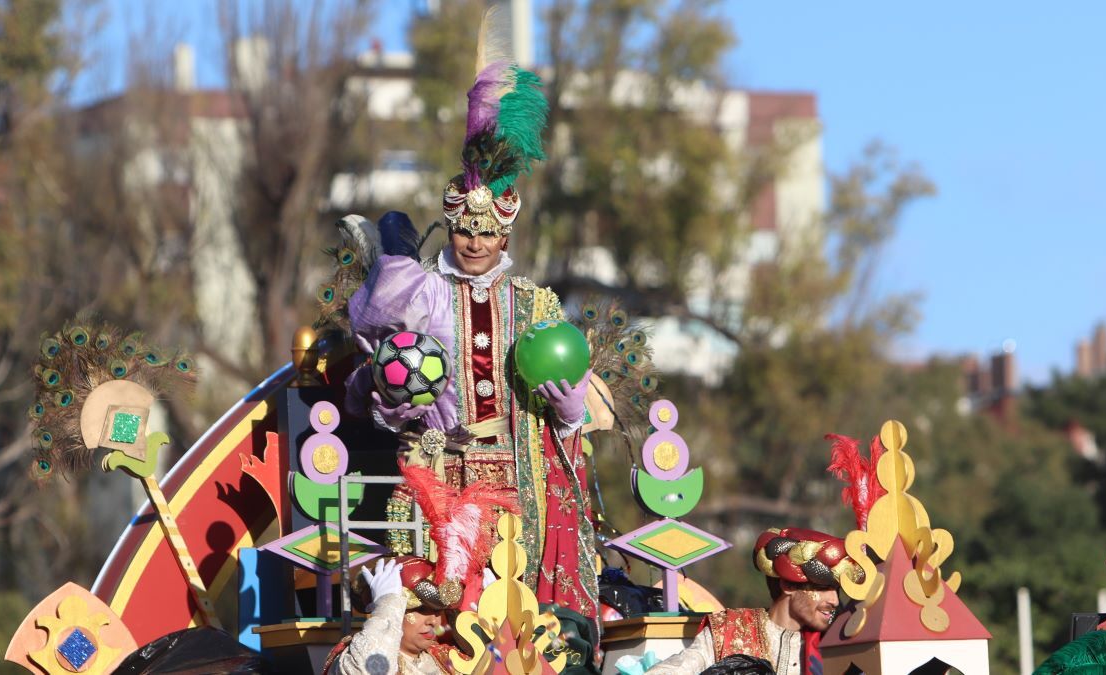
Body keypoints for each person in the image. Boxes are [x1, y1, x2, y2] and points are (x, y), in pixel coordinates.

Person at [343, 12, 598, 627]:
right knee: (445, 620)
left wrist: (570, 416)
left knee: (523, 625)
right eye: (464, 230)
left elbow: (566, 414)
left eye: (487, 232)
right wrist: (396, 400)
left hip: (524, 487)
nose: (475, 243)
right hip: (440, 475)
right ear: (452, 228)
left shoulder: (536, 305)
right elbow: (370, 384)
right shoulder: (420, 293)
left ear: (504, 232)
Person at [645, 528, 864, 675]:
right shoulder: (730, 629)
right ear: (788, 586)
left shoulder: (836, 645)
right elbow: (678, 668)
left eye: (836, 591)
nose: (835, 600)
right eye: (824, 589)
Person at [324, 557, 453, 675]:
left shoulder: (445, 659)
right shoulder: (355, 655)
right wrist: (387, 605)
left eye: (438, 611)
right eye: (421, 609)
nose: (433, 621)